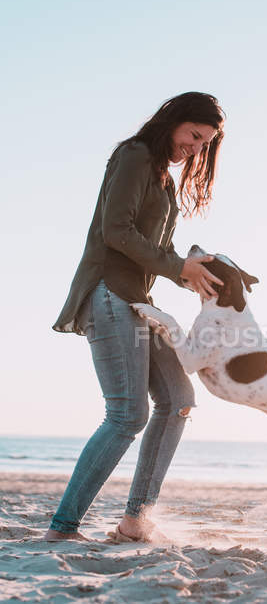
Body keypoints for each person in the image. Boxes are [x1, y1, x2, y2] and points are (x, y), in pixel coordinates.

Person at [44, 92, 225, 542]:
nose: (196, 149)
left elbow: (159, 253)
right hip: (107, 293)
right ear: (174, 121)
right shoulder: (135, 156)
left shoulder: (163, 180)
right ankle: (63, 528)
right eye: (194, 136)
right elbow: (116, 230)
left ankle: (134, 520)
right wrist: (175, 266)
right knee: (127, 415)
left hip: (139, 301)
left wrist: (193, 274)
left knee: (179, 400)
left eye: (205, 144)